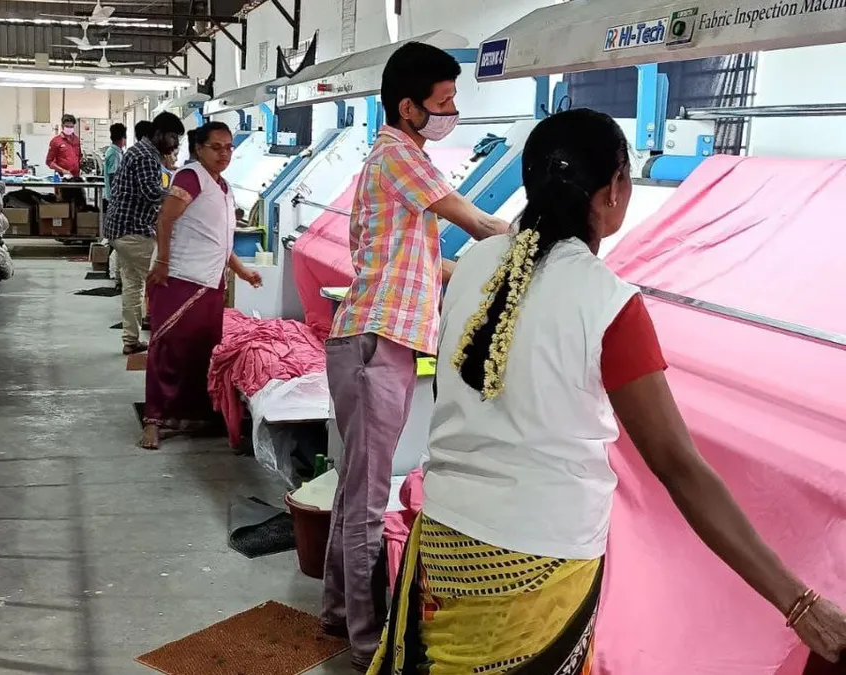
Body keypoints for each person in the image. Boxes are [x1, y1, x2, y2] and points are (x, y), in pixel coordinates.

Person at [368, 108, 846, 674]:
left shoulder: (473, 263)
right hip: (536, 564)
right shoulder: (609, 302)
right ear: (615, 189)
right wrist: (799, 602)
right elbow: (679, 467)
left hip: (443, 544)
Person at [321, 42, 510, 672]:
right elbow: (478, 223)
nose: (453, 110)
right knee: (370, 500)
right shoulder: (400, 156)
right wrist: (545, 238)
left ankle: (335, 611)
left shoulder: (395, 161)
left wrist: (481, 275)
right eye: (444, 101)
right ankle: (368, 643)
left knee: (355, 489)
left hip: (376, 343)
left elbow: (431, 263)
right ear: (408, 107)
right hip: (376, 346)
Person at [138, 122, 259, 450]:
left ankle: (187, 415)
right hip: (180, 278)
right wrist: (162, 262)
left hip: (210, 283)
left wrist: (243, 271)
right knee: (168, 349)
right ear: (198, 149)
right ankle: (154, 419)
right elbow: (165, 219)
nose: (224, 154)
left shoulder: (223, 187)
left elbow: (221, 241)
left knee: (200, 351)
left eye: (229, 147)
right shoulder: (190, 177)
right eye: (216, 147)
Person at [106, 112, 185, 355]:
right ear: (159, 134)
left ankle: (131, 340)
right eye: (173, 138)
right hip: (133, 231)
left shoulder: (141, 151)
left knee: (133, 285)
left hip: (121, 229)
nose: (175, 144)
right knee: (163, 284)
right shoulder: (146, 156)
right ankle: (169, 345)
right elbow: (152, 194)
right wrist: (183, 198)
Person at [47, 114, 82, 179]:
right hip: (62, 177)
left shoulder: (76, 140)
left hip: (76, 177)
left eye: (71, 127)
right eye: (67, 126)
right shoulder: (56, 141)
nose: (69, 128)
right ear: (62, 126)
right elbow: (49, 162)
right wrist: (63, 171)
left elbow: (79, 156)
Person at [103, 123, 127, 212]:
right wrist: (117, 196)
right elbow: (113, 177)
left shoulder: (118, 152)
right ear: (122, 138)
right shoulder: (113, 153)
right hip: (114, 197)